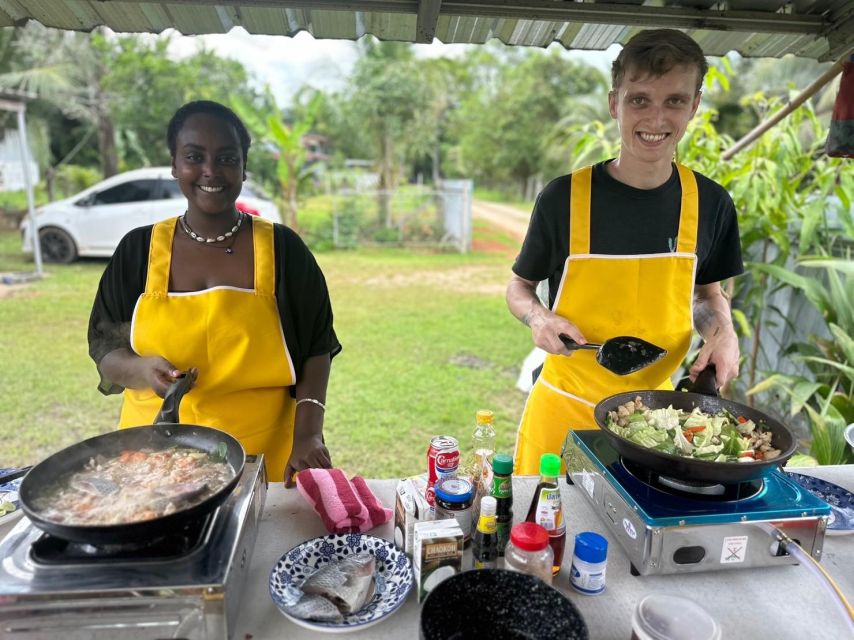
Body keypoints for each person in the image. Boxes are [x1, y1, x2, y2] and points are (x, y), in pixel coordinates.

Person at [506, 29, 743, 474]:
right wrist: (539, 317)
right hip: (564, 410)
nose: (655, 118)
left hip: (655, 421)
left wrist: (722, 333)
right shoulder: (563, 198)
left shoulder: (710, 204)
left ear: (693, 107)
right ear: (615, 104)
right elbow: (519, 287)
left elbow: (708, 295)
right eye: (640, 100)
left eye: (674, 101)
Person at [88, 100, 341, 486]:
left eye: (226, 157)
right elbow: (105, 346)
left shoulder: (284, 250)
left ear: (243, 166)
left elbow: (316, 348)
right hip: (153, 457)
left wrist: (307, 434)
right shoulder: (138, 251)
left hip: (265, 456)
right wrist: (140, 369)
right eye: (194, 156)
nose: (210, 171)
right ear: (175, 164)